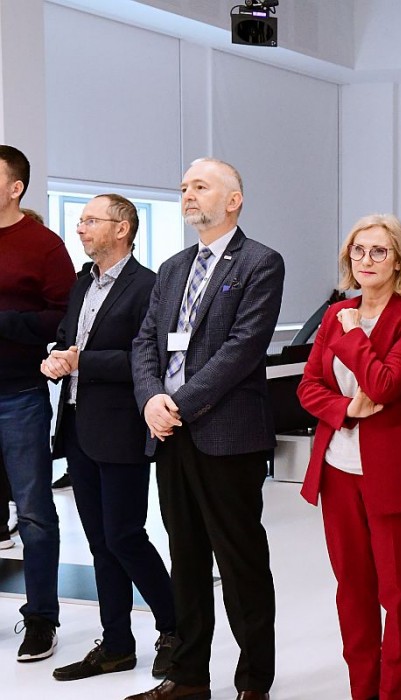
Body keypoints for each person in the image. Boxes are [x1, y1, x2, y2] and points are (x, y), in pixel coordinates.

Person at [130, 158, 284, 700]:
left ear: (233, 200)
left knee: (240, 563)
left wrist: (177, 403)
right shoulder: (172, 267)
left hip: (227, 435)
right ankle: (190, 676)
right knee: (186, 559)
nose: (188, 195)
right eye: (184, 188)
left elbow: (242, 349)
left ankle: (254, 683)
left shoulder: (260, 263)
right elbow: (145, 342)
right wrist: (151, 399)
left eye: (200, 186)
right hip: (170, 434)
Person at [297, 213, 401, 700]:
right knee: (352, 590)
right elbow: (307, 387)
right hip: (337, 472)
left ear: (398, 260)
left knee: (399, 597)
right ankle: (362, 691)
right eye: (358, 251)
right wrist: (346, 408)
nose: (366, 260)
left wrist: (352, 336)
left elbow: (383, 384)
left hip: (396, 477)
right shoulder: (335, 314)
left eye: (379, 251)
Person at [40, 194, 177, 682]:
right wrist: (56, 356)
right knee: (100, 542)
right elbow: (66, 336)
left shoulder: (148, 286)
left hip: (121, 428)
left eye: (90, 220)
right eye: (80, 220)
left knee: (125, 536)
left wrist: (82, 362)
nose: (80, 228)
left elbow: (147, 359)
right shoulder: (83, 283)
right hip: (78, 426)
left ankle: (175, 628)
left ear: (122, 229)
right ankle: (117, 644)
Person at [0, 144, 76, 661]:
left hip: (19, 395)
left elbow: (63, 317)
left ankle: (41, 619)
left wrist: (6, 323)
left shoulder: (44, 246)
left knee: (33, 513)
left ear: (15, 187)